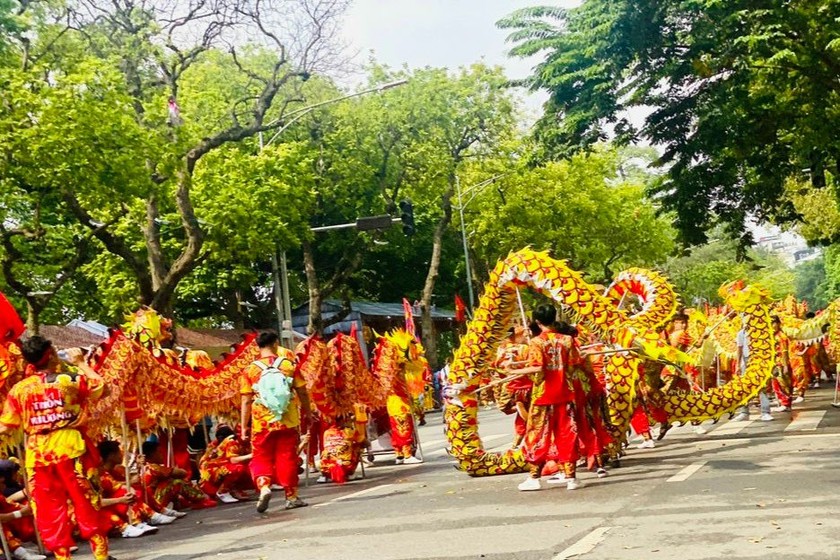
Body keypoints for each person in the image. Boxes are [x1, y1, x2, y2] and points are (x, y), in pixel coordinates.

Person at [0, 337, 113, 560]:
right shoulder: (69, 380)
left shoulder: (19, 390)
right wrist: (81, 363)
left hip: (38, 454)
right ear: (51, 354)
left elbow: (5, 426)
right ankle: (101, 556)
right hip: (70, 449)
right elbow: (104, 388)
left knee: (49, 510)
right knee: (86, 502)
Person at [507, 306, 585, 491]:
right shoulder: (567, 340)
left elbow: (537, 368)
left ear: (537, 322)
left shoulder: (536, 342)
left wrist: (514, 370)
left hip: (543, 395)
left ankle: (534, 477)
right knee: (568, 433)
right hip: (565, 393)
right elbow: (574, 364)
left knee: (537, 434)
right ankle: (571, 477)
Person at [241, 330, 311, 513]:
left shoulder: (250, 369)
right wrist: (307, 412)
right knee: (287, 457)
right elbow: (302, 391)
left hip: (261, 422)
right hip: (287, 420)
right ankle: (292, 496)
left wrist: (243, 426)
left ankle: (264, 486)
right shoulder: (288, 365)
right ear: (276, 343)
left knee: (261, 456)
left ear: (258, 346)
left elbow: (246, 400)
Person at [140, 441, 216, 512]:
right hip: (152, 502)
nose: (163, 454)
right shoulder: (153, 468)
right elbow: (182, 473)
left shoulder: (145, 466)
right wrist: (173, 469)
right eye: (159, 452)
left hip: (150, 499)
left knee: (169, 482)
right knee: (176, 483)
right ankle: (200, 500)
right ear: (152, 454)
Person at [198, 425, 252, 503]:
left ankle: (233, 489)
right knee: (238, 468)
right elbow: (233, 460)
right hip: (211, 473)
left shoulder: (222, 442)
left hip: (214, 470)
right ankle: (223, 491)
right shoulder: (231, 441)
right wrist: (252, 455)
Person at [732, 318, 772, 422]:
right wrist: (738, 365)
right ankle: (744, 412)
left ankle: (765, 412)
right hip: (746, 360)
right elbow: (739, 349)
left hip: (759, 360)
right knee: (745, 386)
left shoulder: (760, 331)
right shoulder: (741, 333)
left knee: (761, 386)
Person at [769, 317, 793, 413]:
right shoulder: (773, 336)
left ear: (778, 323)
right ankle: (783, 402)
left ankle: (786, 403)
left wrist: (785, 365)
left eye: (774, 323)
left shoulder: (781, 336)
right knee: (776, 384)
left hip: (781, 363)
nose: (772, 325)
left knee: (783, 383)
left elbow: (784, 352)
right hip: (774, 363)